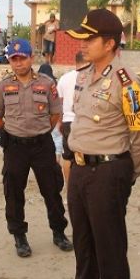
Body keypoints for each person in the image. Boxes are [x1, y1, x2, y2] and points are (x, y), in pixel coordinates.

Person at [51, 9, 140, 279]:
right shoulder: (81, 75)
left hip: (109, 171)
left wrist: (127, 175)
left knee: (110, 251)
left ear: (109, 43)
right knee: (84, 246)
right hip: (79, 170)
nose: (82, 43)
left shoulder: (128, 82)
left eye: (89, 38)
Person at [0, 38, 72, 257]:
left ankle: (59, 232)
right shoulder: (2, 85)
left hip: (41, 144)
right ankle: (19, 237)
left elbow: (56, 114)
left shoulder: (46, 83)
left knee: (51, 190)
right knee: (14, 192)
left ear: (31, 58)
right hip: (15, 146)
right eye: (14, 59)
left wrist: (40, 130)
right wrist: (13, 131)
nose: (18, 63)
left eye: (22, 58)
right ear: (9, 61)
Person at [57, 51, 88, 185]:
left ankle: (70, 189)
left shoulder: (64, 78)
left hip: (68, 122)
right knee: (87, 157)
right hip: (86, 122)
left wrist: (59, 123)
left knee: (68, 157)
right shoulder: (91, 77)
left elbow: (58, 104)